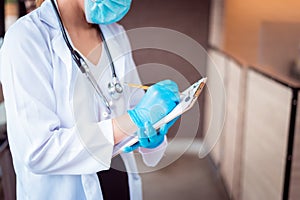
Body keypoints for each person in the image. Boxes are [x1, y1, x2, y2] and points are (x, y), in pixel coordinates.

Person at [0, 0, 180, 199]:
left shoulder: (116, 33)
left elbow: (136, 107)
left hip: (122, 187)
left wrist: (153, 132)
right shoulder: (26, 38)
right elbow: (39, 152)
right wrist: (132, 121)